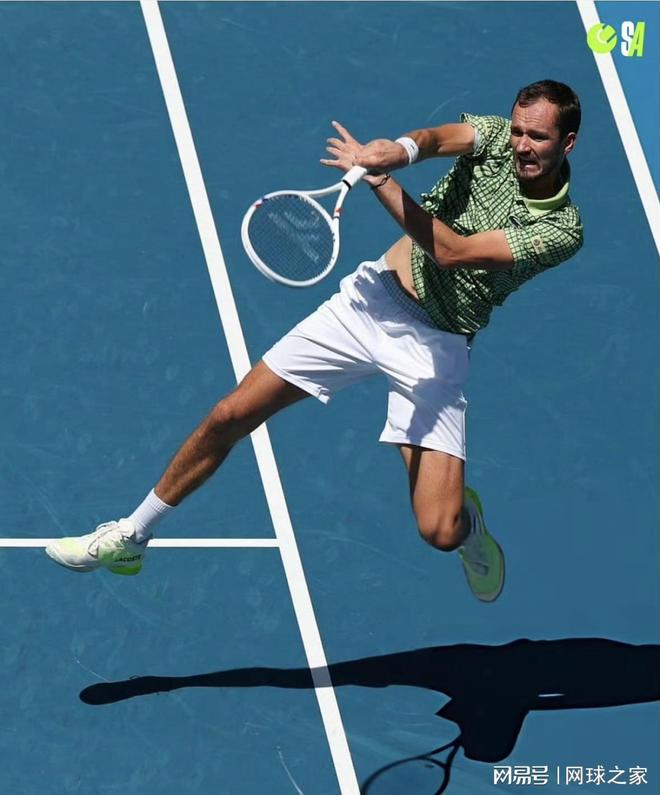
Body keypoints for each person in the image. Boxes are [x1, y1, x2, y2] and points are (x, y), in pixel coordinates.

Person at [46, 80, 583, 603]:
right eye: (518, 131)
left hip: (435, 349)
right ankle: (131, 535)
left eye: (537, 137)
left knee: (439, 531)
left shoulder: (561, 230)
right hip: (369, 304)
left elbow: (452, 252)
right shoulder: (495, 137)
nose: (521, 145)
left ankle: (471, 529)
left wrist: (381, 181)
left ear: (567, 143)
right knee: (231, 413)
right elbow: (436, 140)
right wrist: (397, 150)